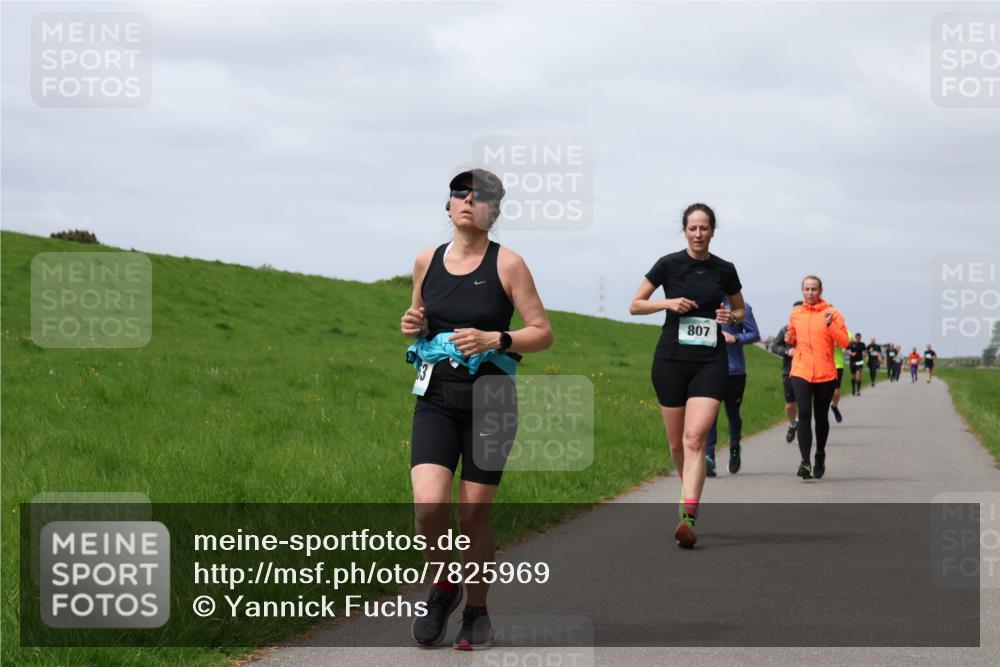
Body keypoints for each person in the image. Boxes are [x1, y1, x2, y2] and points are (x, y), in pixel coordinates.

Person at [400, 168, 554, 650]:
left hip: (491, 400)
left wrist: (498, 337)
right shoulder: (427, 260)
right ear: (448, 207)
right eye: (459, 194)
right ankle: (444, 586)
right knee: (428, 507)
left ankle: (477, 609)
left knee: (471, 517)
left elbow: (542, 332)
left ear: (494, 211)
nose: (468, 201)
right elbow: (420, 322)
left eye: (479, 196)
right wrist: (411, 325)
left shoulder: (509, 265)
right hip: (436, 397)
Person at [630, 203, 745, 548]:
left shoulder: (725, 269)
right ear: (685, 230)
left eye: (704, 228)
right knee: (676, 442)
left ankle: (688, 516)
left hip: (710, 362)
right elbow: (635, 304)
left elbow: (739, 308)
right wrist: (668, 303)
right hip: (670, 360)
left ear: (712, 231)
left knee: (695, 439)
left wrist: (731, 317)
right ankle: (687, 487)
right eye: (692, 228)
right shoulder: (668, 264)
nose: (698, 234)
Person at [784, 276, 850, 480]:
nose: (810, 292)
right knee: (804, 413)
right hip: (801, 370)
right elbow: (793, 337)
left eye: (814, 289)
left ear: (821, 290)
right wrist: (790, 339)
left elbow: (845, 342)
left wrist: (830, 325)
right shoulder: (796, 314)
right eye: (806, 289)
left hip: (825, 372)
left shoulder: (832, 312)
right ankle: (805, 462)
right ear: (802, 290)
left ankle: (820, 454)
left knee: (821, 417)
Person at [705, 297, 760, 476]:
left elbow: (754, 334)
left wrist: (735, 338)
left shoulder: (742, 307)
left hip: (734, 371)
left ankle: (734, 446)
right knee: (709, 416)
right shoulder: (704, 302)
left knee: (733, 414)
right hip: (707, 370)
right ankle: (709, 457)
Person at [771, 302, 802, 444]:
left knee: (804, 403)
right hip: (788, 371)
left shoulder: (811, 329)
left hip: (807, 372)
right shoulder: (785, 330)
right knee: (790, 405)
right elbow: (774, 347)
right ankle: (792, 424)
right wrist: (786, 351)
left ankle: (804, 429)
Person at [830, 331, 847, 423]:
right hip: (824, 364)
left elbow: (846, 342)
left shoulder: (842, 330)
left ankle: (834, 406)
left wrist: (838, 340)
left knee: (836, 392)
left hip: (838, 365)